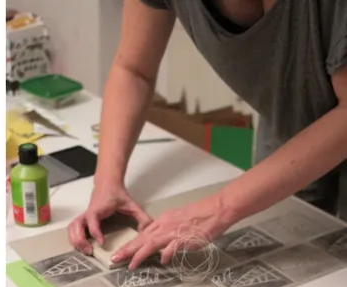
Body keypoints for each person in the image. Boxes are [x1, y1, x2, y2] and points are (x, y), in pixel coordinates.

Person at [68, 0, 347, 270]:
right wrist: (106, 184)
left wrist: (219, 208)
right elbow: (133, 70)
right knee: (296, 264)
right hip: (288, 119)